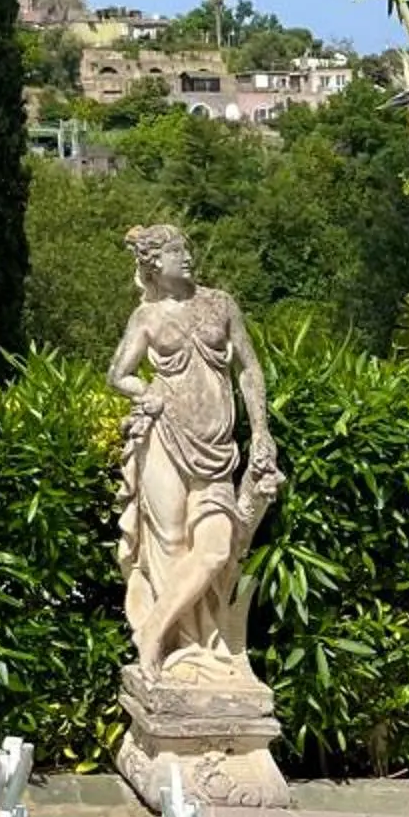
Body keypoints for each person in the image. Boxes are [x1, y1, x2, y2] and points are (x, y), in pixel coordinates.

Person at [107, 222, 282, 682]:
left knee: (214, 549)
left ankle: (153, 631)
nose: (185, 257)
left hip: (216, 447)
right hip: (165, 440)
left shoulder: (219, 304)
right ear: (153, 264)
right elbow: (118, 373)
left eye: (186, 249)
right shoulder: (146, 317)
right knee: (169, 545)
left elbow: (248, 368)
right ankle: (178, 648)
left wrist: (261, 429)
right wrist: (145, 393)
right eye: (174, 252)